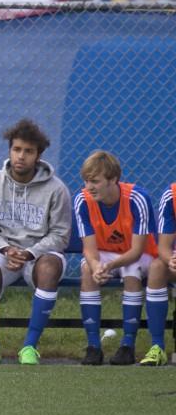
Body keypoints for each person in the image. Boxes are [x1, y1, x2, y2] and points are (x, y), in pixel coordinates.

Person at [0, 119, 71, 366]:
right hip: (4, 252)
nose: (21, 157)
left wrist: (29, 253)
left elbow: (60, 235)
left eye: (28, 151)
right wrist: (7, 249)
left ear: (38, 155)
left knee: (49, 268)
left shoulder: (57, 189)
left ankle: (29, 347)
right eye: (17, 149)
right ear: (9, 150)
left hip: (40, 254)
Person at [74, 151, 157, 366]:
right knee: (86, 270)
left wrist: (108, 265)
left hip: (142, 255)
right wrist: (96, 267)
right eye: (86, 180)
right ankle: (93, 347)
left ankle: (127, 345)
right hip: (107, 254)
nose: (89, 186)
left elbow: (137, 251)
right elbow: (89, 250)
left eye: (95, 181)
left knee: (131, 270)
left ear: (113, 180)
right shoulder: (82, 200)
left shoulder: (137, 198)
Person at [141, 183, 175, 366]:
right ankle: (157, 347)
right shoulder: (172, 195)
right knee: (157, 267)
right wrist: (171, 260)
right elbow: (163, 247)